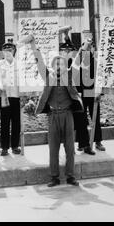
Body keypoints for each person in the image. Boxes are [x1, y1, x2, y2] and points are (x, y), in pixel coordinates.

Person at [21, 34, 83, 187]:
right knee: (53, 149)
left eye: (61, 64)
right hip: (53, 116)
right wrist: (33, 45)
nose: (58, 66)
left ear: (64, 66)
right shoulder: (48, 76)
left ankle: (70, 176)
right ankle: (54, 177)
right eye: (56, 64)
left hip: (67, 115)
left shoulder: (69, 75)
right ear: (53, 66)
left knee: (70, 148)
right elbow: (39, 62)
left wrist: (85, 47)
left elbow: (77, 62)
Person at [58, 29, 97, 155]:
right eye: (65, 50)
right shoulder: (58, 62)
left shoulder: (75, 59)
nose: (67, 52)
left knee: (81, 119)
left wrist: (86, 43)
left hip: (78, 93)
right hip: (63, 97)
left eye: (69, 50)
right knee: (67, 123)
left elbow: (80, 52)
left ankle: (85, 145)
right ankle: (68, 148)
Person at [72, 37, 106, 153]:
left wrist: (99, 92)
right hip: (81, 94)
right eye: (85, 48)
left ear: (93, 49)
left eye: (90, 48)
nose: (88, 50)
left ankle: (98, 141)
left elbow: (100, 78)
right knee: (81, 119)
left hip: (92, 93)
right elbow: (74, 78)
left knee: (95, 117)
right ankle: (82, 143)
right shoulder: (78, 62)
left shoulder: (97, 62)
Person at [0, 42, 21, 156]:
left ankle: (15, 146)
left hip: (16, 96)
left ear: (14, 51)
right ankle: (4, 147)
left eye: (10, 50)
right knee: (4, 122)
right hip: (4, 96)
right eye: (5, 50)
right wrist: (0, 87)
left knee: (16, 123)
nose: (8, 52)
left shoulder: (19, 64)